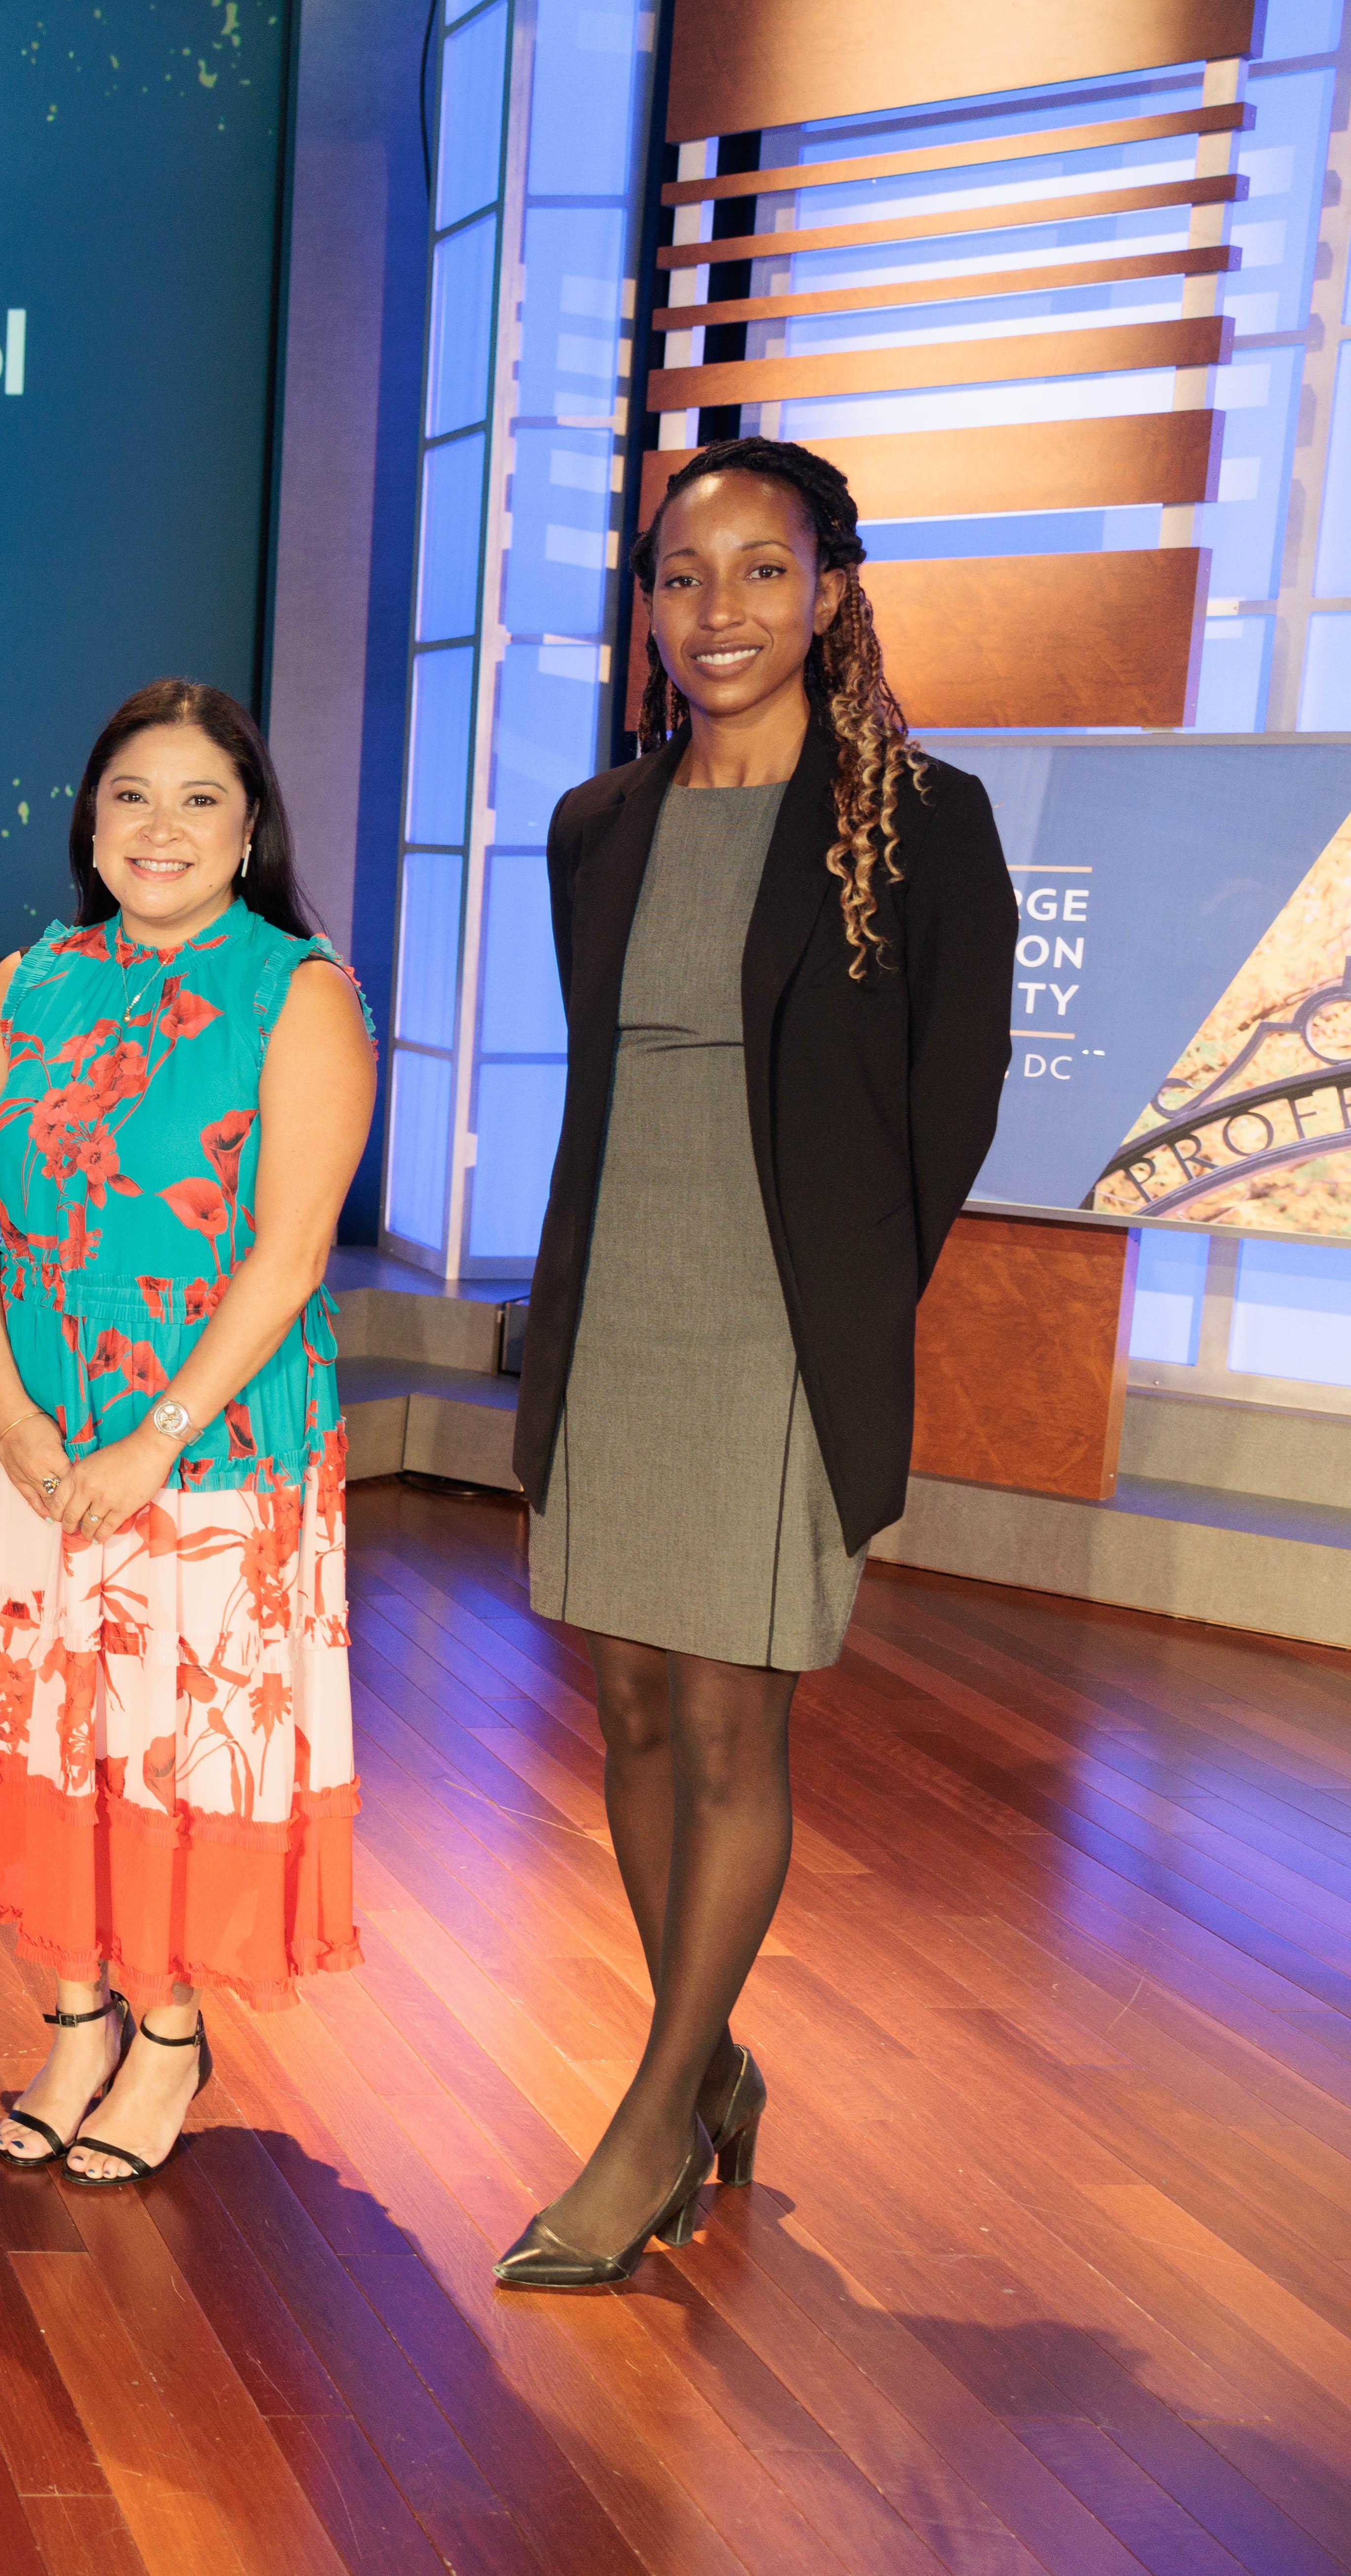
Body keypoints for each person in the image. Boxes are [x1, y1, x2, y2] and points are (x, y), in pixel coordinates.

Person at [498, 437, 1013, 2287]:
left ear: (835, 589)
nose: (721, 613)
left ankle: (647, 2120)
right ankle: (709, 2061)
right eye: (684, 577)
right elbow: (608, 1085)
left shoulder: (921, 821)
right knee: (631, 1708)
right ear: (647, 605)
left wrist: (843, 1312)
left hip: (783, 1317)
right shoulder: (598, 823)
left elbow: (945, 1111)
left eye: (764, 573)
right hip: (621, 1290)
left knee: (733, 1717)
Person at [0, 681, 374, 2191]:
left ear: (249, 833)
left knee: (167, 1746)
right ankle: (76, 2013)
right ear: (89, 824)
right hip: (32, 1437)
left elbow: (288, 1260)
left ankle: (169, 2034)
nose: (158, 829)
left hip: (208, 1448)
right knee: (54, 1732)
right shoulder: (33, 980)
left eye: (198, 801)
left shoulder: (297, 994)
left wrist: (147, 1443)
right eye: (129, 797)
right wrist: (23, 1422)